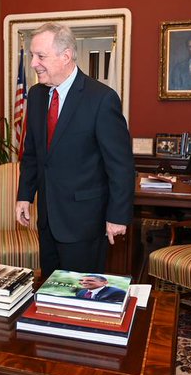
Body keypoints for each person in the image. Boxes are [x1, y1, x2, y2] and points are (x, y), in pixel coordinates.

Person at [15, 22, 135, 277]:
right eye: (32, 55)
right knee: (50, 289)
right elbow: (33, 154)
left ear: (65, 56)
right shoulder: (36, 96)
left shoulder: (101, 98)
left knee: (81, 299)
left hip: (84, 223)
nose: (34, 63)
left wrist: (117, 216)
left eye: (41, 56)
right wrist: (24, 195)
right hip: (47, 220)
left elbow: (120, 166)